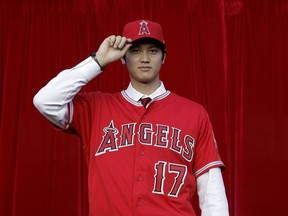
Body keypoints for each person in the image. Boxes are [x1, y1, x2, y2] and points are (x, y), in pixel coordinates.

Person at [33, 19, 229, 216]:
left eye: (153, 50)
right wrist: (98, 60)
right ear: (122, 57)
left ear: (164, 57)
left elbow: (212, 190)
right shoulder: (95, 108)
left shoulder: (194, 113)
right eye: (135, 51)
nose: (145, 58)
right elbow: (46, 101)